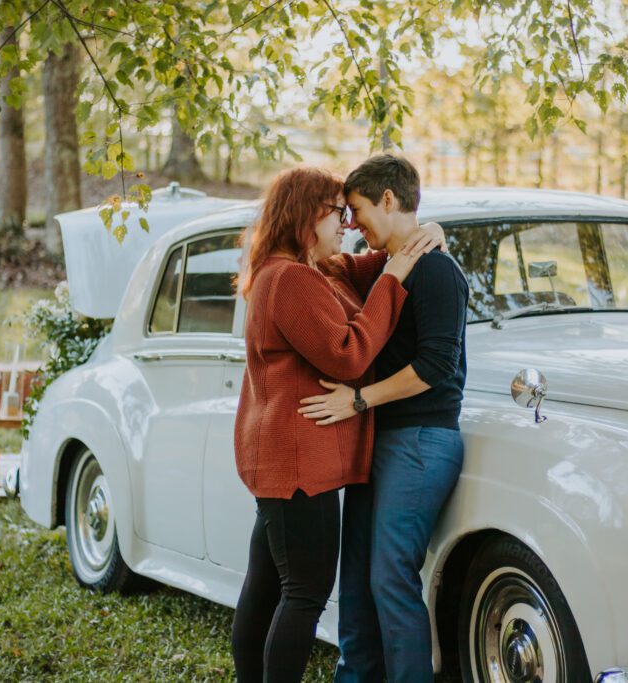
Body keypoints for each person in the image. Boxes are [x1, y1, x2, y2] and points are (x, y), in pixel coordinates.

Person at [230, 166, 443, 683]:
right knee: (304, 593)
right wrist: (394, 280)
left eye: (351, 214)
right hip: (298, 465)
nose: (346, 223)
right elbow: (346, 355)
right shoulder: (289, 280)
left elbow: (375, 261)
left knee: (265, 586)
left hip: (285, 461)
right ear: (306, 216)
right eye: (335, 213)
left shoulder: (317, 271)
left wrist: (422, 236)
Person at [297, 154, 469, 683]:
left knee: (391, 578)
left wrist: (359, 399)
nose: (351, 224)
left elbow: (435, 367)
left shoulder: (438, 271)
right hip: (379, 440)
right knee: (357, 582)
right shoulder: (386, 269)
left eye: (357, 210)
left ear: (389, 200)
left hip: (419, 440)